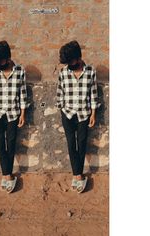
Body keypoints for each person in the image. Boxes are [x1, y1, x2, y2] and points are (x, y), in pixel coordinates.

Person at [56, 40, 98, 193]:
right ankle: (77, 176)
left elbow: (93, 94)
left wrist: (93, 113)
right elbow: (60, 91)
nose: (69, 64)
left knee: (81, 142)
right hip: (67, 113)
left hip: (84, 114)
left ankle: (78, 173)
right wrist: (61, 107)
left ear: (78, 57)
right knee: (71, 143)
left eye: (71, 61)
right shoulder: (63, 73)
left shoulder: (90, 72)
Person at [0, 40, 27, 193]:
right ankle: (7, 175)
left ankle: (8, 173)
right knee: (0, 143)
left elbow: (23, 94)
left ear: (8, 57)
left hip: (13, 113)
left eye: (0, 61)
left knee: (11, 142)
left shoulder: (20, 71)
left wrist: (23, 113)